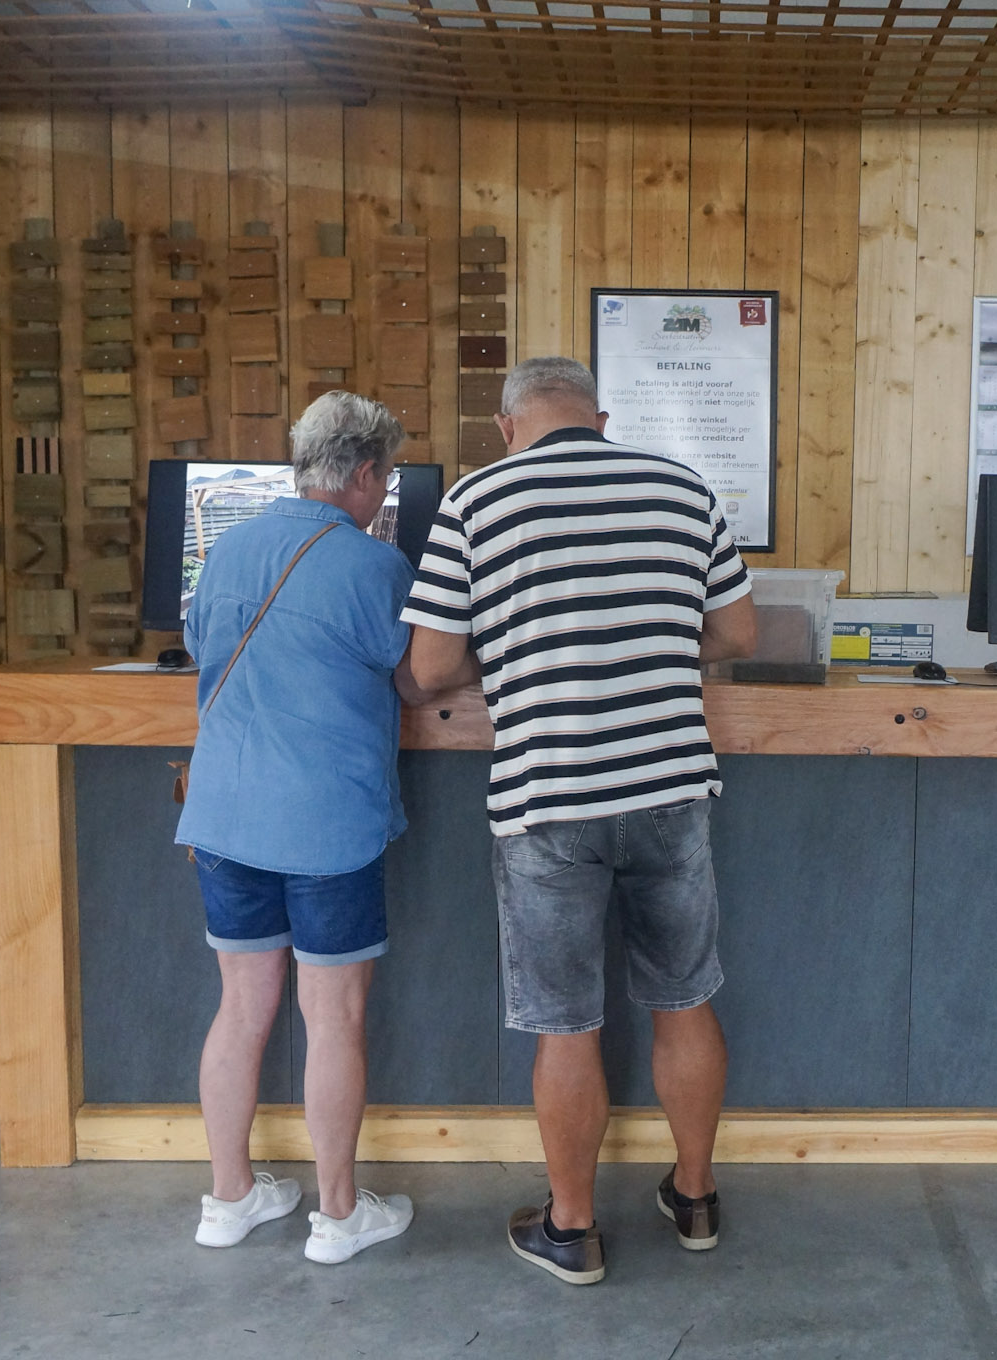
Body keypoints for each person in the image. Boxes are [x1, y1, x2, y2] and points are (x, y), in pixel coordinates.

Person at [399, 356, 758, 1285]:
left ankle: (572, 1230)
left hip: (549, 795)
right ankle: (695, 1198)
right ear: (598, 416)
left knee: (568, 1027)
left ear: (508, 424)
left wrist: (520, 650)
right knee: (685, 999)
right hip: (670, 789)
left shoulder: (478, 502)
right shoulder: (683, 489)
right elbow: (738, 634)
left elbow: (432, 669)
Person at [177, 391, 430, 1265]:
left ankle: (228, 1198)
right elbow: (415, 682)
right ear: (362, 474)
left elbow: (204, 651)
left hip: (221, 813)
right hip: (325, 823)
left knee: (241, 1007)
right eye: (386, 479)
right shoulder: (375, 567)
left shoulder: (227, 549)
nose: (385, 495)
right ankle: (337, 1214)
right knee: (333, 1016)